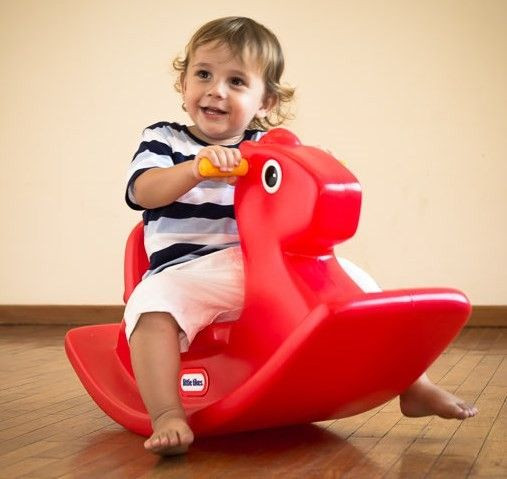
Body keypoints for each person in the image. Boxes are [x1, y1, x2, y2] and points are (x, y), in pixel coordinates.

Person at [124, 16, 477, 457]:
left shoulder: (269, 147)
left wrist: (314, 166)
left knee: (361, 290)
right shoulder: (164, 139)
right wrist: (194, 169)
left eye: (236, 81)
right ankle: (166, 413)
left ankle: (414, 384)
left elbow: (295, 198)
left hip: (265, 266)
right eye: (204, 74)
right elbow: (143, 191)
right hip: (189, 271)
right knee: (152, 309)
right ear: (183, 84)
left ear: (266, 101)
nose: (216, 90)